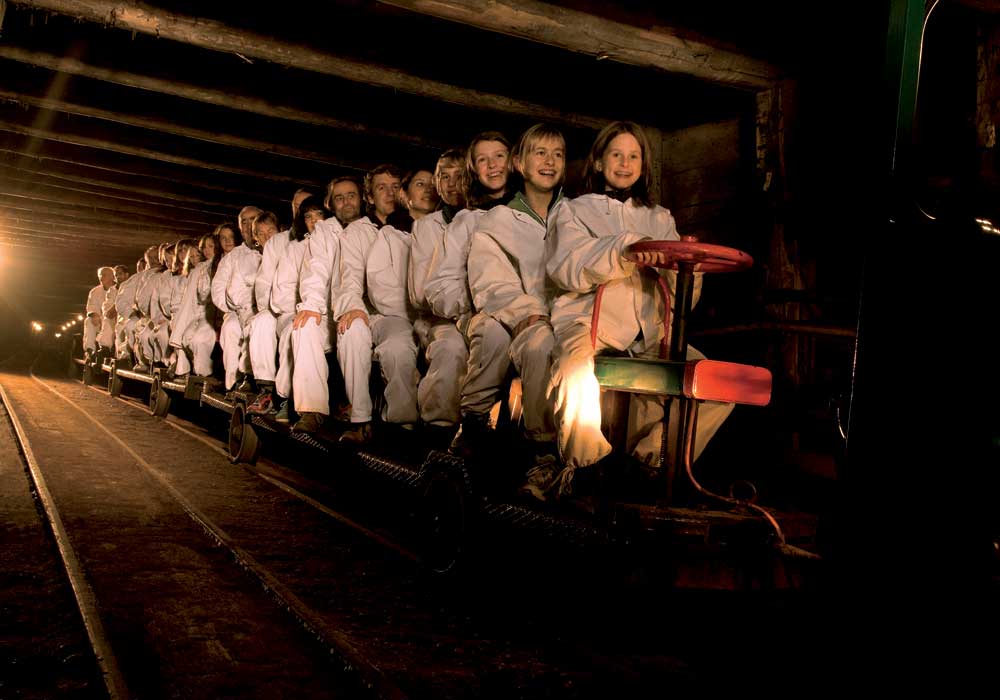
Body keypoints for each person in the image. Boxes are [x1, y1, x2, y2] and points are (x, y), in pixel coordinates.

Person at [544, 121, 734, 497]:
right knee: (573, 370)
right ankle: (585, 469)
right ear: (598, 162)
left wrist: (690, 270)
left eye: (634, 156)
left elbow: (683, 295)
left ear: (643, 165)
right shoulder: (573, 210)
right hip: (589, 322)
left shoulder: (660, 217)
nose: (625, 163)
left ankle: (650, 462)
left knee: (721, 385)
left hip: (649, 330)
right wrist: (626, 247)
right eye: (616, 154)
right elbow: (567, 266)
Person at [467, 123, 564, 499]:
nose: (549, 162)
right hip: (527, 320)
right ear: (520, 164)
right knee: (540, 345)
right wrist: (531, 313)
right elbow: (493, 284)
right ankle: (544, 454)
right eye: (540, 153)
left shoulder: (576, 214)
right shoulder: (496, 222)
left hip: (576, 317)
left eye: (557, 154)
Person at [424, 131, 515, 457]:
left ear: (514, 160)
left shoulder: (534, 213)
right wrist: (474, 303)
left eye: (499, 156)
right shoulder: (465, 221)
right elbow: (437, 288)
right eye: (482, 160)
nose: (492, 166)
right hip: (481, 314)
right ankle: (473, 421)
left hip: (530, 313)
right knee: (493, 332)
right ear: (473, 170)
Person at [331, 164, 404, 442]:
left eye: (395, 187)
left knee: (400, 350)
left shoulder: (416, 224)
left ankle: (402, 424)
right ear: (370, 197)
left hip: (405, 314)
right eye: (381, 188)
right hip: (371, 313)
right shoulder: (357, 232)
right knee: (350, 331)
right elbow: (348, 276)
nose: (389, 193)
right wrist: (354, 309)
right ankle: (361, 418)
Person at [408, 149, 469, 437]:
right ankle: (438, 428)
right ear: (437, 182)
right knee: (452, 348)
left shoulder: (484, 218)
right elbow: (420, 293)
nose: (452, 183)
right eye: (445, 177)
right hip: (437, 318)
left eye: (459, 176)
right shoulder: (425, 227)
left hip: (476, 313)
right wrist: (464, 303)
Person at [212, 207, 263, 391]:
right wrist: (233, 308)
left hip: (267, 308)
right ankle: (233, 383)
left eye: (253, 219)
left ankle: (258, 380)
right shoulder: (233, 257)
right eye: (244, 222)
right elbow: (218, 289)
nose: (249, 226)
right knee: (231, 328)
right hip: (237, 309)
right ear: (240, 227)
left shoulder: (272, 247)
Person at [84, 267, 115, 360]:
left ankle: (107, 349)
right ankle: (90, 350)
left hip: (114, 320)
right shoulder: (95, 291)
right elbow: (91, 306)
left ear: (112, 277)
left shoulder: (119, 288)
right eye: (100, 275)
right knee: (88, 321)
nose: (101, 277)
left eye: (104, 275)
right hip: (99, 320)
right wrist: (94, 315)